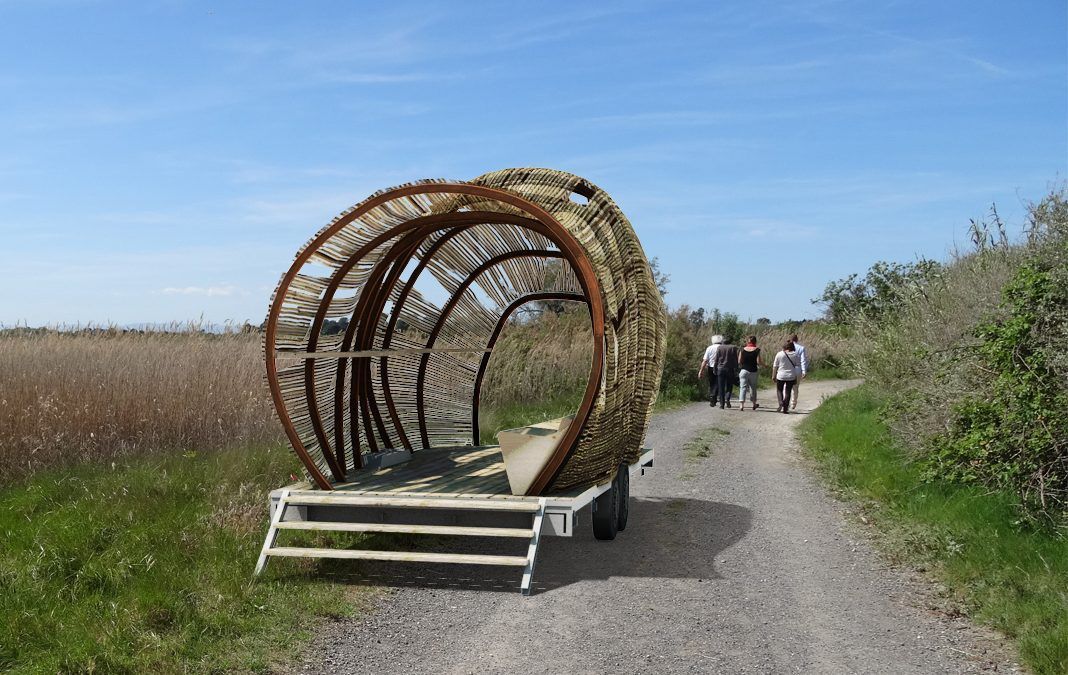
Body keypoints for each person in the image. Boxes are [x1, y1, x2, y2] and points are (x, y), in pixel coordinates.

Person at [772, 340, 802, 414]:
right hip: (791, 376)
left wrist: (773, 375)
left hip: (780, 376)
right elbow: (798, 365)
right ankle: (785, 408)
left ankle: (781, 403)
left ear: (784, 346)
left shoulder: (779, 354)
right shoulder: (796, 355)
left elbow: (775, 366)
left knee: (779, 390)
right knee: (788, 391)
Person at [737, 335, 763, 411]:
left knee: (743, 387)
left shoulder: (742, 349)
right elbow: (758, 362)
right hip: (753, 371)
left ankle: (741, 405)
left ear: (748, 341)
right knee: (753, 388)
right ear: (755, 341)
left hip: (744, 370)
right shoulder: (757, 350)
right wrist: (764, 365)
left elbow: (739, 361)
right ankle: (754, 404)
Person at [712, 335, 739, 409]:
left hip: (720, 369)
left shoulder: (719, 347)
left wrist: (715, 368)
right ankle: (727, 399)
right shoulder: (733, 347)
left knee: (721, 387)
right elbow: (735, 360)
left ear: (723, 341)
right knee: (729, 386)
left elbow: (716, 359)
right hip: (730, 369)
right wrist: (736, 369)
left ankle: (722, 404)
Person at [697, 335, 724, 407]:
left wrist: (701, 370)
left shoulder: (709, 348)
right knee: (719, 383)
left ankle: (712, 397)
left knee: (712, 383)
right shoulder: (723, 348)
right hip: (720, 367)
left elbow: (705, 360)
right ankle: (714, 397)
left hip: (711, 367)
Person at [789, 333, 809, 410]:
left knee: (786, 387)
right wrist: (804, 371)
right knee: (795, 387)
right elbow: (803, 360)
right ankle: (793, 403)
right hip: (797, 369)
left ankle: (785, 402)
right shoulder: (801, 348)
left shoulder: (787, 347)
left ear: (790, 339)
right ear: (797, 339)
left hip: (788, 369)